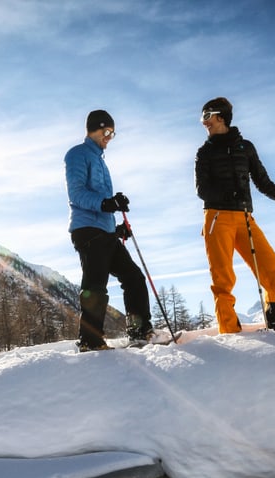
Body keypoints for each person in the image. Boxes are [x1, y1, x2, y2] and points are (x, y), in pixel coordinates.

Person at [195, 97, 275, 333]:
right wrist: (228, 194)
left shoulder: (245, 148)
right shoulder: (204, 152)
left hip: (244, 218)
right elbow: (202, 190)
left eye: (207, 116)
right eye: (202, 118)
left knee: (271, 267)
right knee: (223, 278)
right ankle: (229, 329)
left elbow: (263, 183)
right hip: (216, 218)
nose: (204, 122)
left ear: (221, 116)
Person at [65, 109, 154, 351]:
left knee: (134, 278)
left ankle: (140, 332)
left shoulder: (101, 161)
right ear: (93, 129)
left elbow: (102, 202)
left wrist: (116, 228)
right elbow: (77, 193)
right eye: (106, 131)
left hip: (103, 231)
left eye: (113, 133)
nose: (109, 137)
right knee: (95, 285)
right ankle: (90, 341)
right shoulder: (78, 155)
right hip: (87, 230)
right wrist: (106, 203)